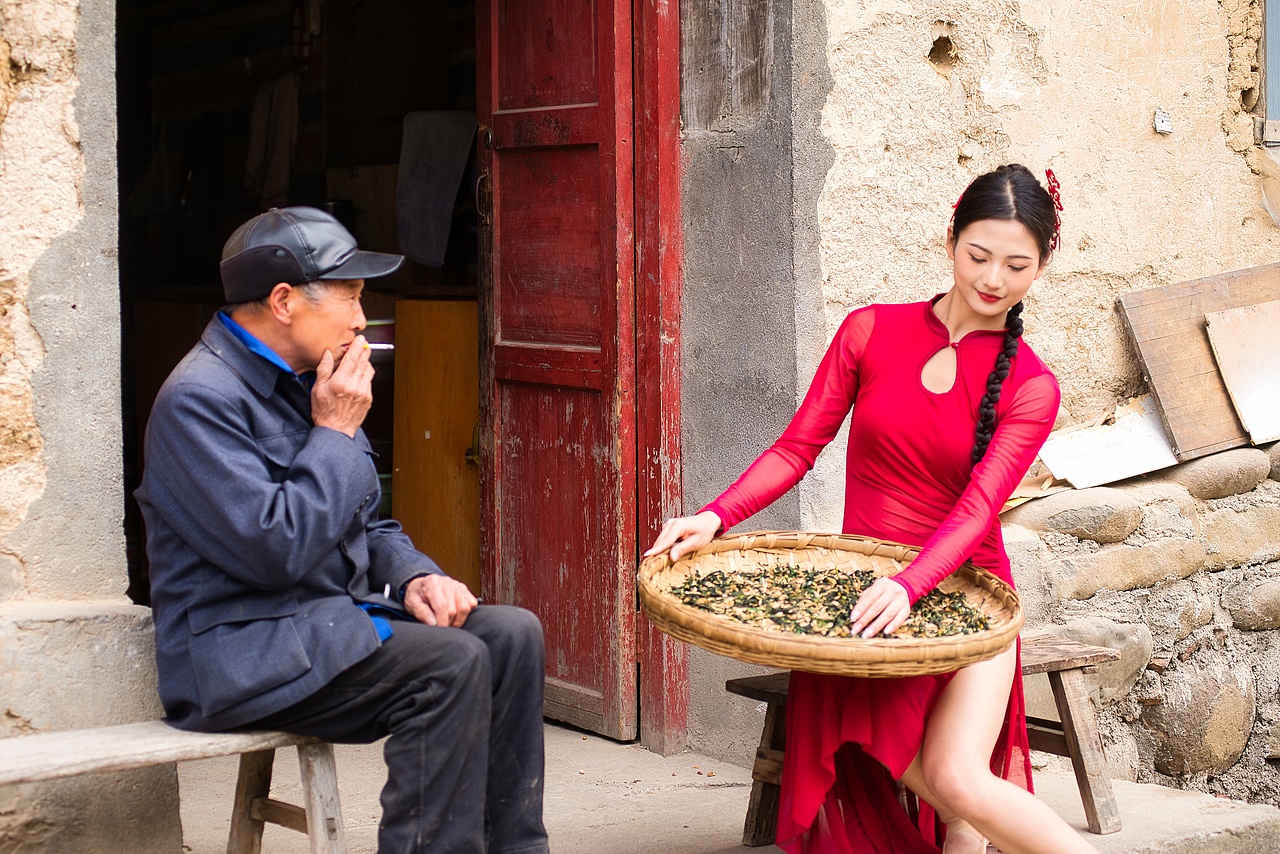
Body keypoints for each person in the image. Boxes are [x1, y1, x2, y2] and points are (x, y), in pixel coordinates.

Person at [646, 165, 1098, 854]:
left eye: (1017, 265)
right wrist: (715, 516)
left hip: (967, 601)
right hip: (864, 602)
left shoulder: (1033, 386)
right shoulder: (869, 332)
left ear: (1042, 266)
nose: (994, 279)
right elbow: (798, 448)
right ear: (951, 239)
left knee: (959, 783)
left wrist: (910, 585)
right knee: (940, 786)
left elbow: (979, 511)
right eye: (979, 256)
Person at [135, 206, 549, 854]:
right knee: (450, 664)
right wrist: (332, 433)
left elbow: (367, 521)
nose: (363, 317)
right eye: (351, 296)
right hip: (241, 653)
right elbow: (276, 551)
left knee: (511, 635)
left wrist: (417, 575)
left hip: (321, 624)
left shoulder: (312, 380)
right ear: (283, 301)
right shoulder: (199, 401)